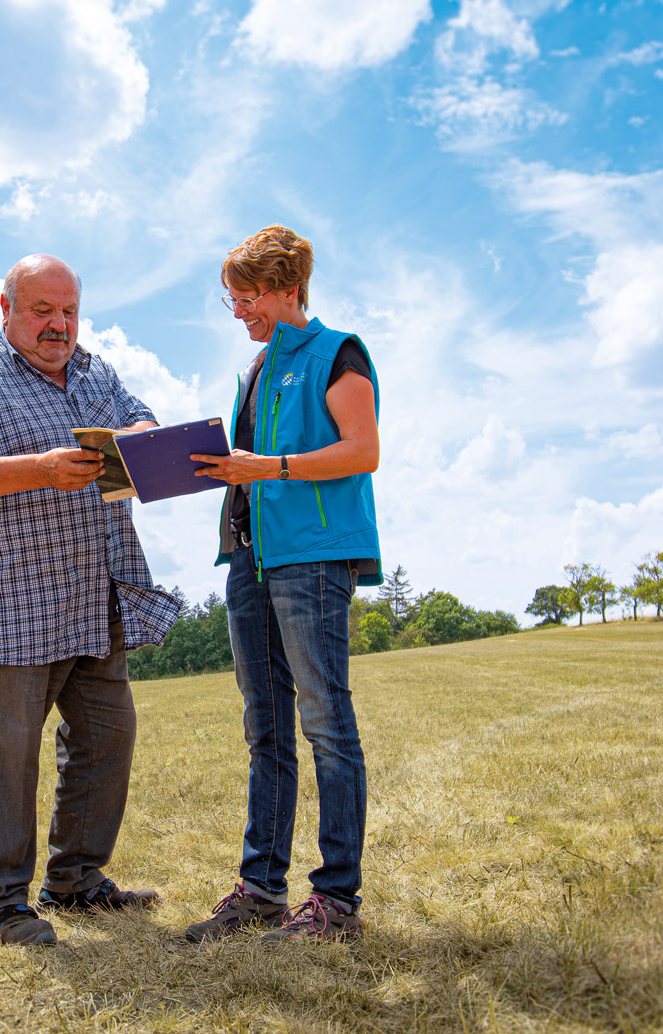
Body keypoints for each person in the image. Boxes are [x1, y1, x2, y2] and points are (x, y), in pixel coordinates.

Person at [0, 253, 180, 946]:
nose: (58, 324)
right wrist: (40, 469)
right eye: (42, 310)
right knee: (8, 758)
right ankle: (1, 906)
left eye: (68, 311)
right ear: (5, 308)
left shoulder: (98, 373)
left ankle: (75, 880)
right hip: (12, 605)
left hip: (95, 596)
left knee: (108, 738)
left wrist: (141, 443)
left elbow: (144, 425)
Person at [187, 225, 381, 944]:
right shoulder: (255, 371)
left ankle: (336, 903)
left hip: (314, 559)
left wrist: (268, 468)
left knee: (326, 723)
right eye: (232, 300)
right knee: (265, 728)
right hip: (249, 558)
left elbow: (364, 450)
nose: (238, 311)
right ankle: (262, 889)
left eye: (246, 297)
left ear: (285, 289)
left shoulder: (339, 353)